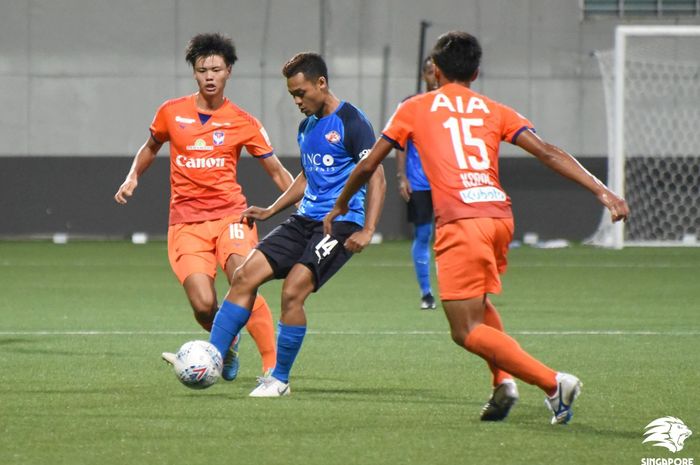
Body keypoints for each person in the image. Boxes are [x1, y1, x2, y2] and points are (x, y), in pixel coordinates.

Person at [325, 31, 629, 424]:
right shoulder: (493, 108)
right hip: (498, 217)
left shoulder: (414, 108)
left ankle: (554, 383)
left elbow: (368, 165)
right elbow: (548, 152)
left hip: (461, 221)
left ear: (433, 69)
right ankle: (503, 383)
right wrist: (603, 191)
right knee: (480, 307)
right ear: (477, 71)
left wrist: (341, 203)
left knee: (464, 330)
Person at [204, 52, 386, 397]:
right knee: (244, 276)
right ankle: (211, 358)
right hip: (304, 219)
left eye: (301, 93)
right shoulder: (307, 127)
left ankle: (279, 379)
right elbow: (308, 175)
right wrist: (272, 209)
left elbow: (376, 177)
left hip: (341, 223)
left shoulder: (352, 122)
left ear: (322, 83)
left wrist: (368, 229)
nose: (297, 101)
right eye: (292, 95)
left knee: (293, 292)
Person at [114, 33, 294, 380]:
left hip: (232, 216)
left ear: (229, 71)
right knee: (203, 304)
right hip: (186, 222)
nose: (209, 76)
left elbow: (276, 170)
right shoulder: (171, 112)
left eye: (216, 69)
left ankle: (272, 366)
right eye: (202, 70)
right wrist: (132, 176)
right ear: (194, 73)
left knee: (244, 278)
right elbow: (150, 147)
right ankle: (225, 346)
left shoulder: (244, 121)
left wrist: (306, 204)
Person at [395, 57, 438, 310]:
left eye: (438, 71)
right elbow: (399, 140)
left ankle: (462, 290)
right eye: (431, 72)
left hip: (448, 181)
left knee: (453, 236)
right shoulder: (411, 104)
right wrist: (402, 175)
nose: (435, 76)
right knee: (424, 234)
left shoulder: (454, 105)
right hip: (420, 182)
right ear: (424, 75)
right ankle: (426, 293)